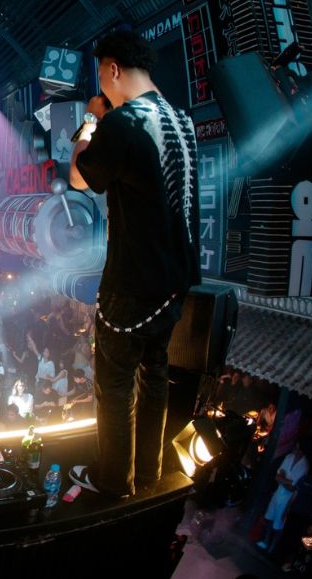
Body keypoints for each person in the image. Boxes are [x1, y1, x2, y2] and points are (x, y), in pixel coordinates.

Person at [68, 30, 200, 498]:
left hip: (132, 282)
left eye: (102, 77)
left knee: (116, 384)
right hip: (175, 281)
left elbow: (78, 177)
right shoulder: (182, 121)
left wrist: (89, 120)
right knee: (155, 374)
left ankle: (114, 483)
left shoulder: (123, 123)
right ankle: (148, 474)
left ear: (113, 69)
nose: (103, 86)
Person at [258, 443, 310, 553]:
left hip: (288, 498)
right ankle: (265, 542)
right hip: (278, 492)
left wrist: (283, 479)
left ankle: (272, 548)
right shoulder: (289, 457)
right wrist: (287, 481)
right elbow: (278, 476)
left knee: (279, 524)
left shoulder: (304, 465)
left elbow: (292, 488)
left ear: (302, 450)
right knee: (270, 518)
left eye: (298, 447)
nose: (295, 448)